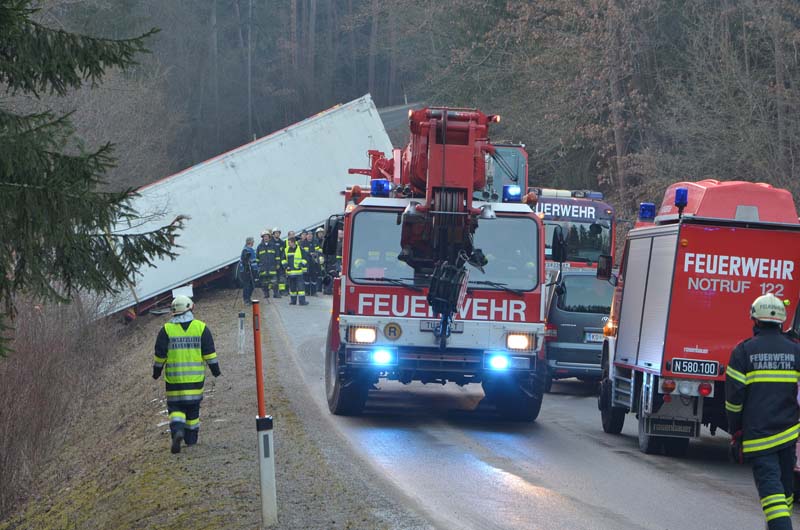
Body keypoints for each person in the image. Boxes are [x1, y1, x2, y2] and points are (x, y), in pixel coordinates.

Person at [726, 293, 800, 530]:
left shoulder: (743, 352)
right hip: (789, 435)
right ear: (781, 322)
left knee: (772, 495)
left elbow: (734, 401)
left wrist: (735, 429)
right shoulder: (796, 351)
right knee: (784, 493)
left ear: (755, 321)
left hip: (760, 437)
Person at [153, 295, 220, 454]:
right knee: (193, 409)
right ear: (191, 308)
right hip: (195, 381)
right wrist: (216, 371)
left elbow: (160, 356)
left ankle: (177, 431)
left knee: (175, 408)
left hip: (174, 381)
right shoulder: (201, 328)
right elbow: (210, 354)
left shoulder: (166, 330)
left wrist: (156, 372)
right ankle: (191, 439)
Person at [282, 237, 308, 305]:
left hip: (299, 272)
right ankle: (293, 301)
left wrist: (301, 264)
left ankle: (302, 302)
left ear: (293, 242)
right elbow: (283, 259)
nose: (288, 243)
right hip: (290, 273)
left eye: (289, 242)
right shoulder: (286, 250)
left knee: (301, 289)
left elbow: (305, 258)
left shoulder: (300, 249)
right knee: (292, 288)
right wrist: (286, 266)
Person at [257, 229, 280, 298]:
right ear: (262, 237)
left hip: (272, 267)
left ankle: (276, 294)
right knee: (264, 283)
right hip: (263, 268)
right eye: (264, 236)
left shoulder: (273, 246)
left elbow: (277, 256)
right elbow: (257, 258)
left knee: (275, 282)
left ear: (269, 237)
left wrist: (278, 264)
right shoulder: (259, 247)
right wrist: (259, 266)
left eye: (267, 236)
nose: (266, 238)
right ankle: (266, 294)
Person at [238, 236, 258, 304]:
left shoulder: (251, 249)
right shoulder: (245, 250)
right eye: (252, 241)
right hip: (246, 271)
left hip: (252, 270)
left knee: (252, 285)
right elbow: (244, 261)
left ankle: (248, 297)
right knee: (247, 285)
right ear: (249, 242)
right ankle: (246, 299)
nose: (253, 242)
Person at [271, 228, 286, 295]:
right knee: (274, 278)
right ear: (273, 234)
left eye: (278, 233)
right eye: (276, 233)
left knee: (282, 277)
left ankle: (282, 290)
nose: (277, 234)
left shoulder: (282, 243)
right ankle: (275, 291)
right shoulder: (270, 243)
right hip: (273, 263)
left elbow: (284, 252)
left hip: (281, 263)